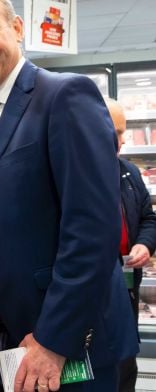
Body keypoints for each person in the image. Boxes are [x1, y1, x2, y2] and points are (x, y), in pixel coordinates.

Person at [0, 0, 139, 391]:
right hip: (6, 337)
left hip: (69, 339)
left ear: (17, 28)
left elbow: (92, 230)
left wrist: (54, 339)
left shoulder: (65, 96)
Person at [106, 98, 156, 392]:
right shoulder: (67, 175)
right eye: (116, 131)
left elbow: (149, 218)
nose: (122, 140)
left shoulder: (129, 173)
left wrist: (145, 245)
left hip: (126, 288)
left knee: (126, 363)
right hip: (92, 295)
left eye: (123, 131)